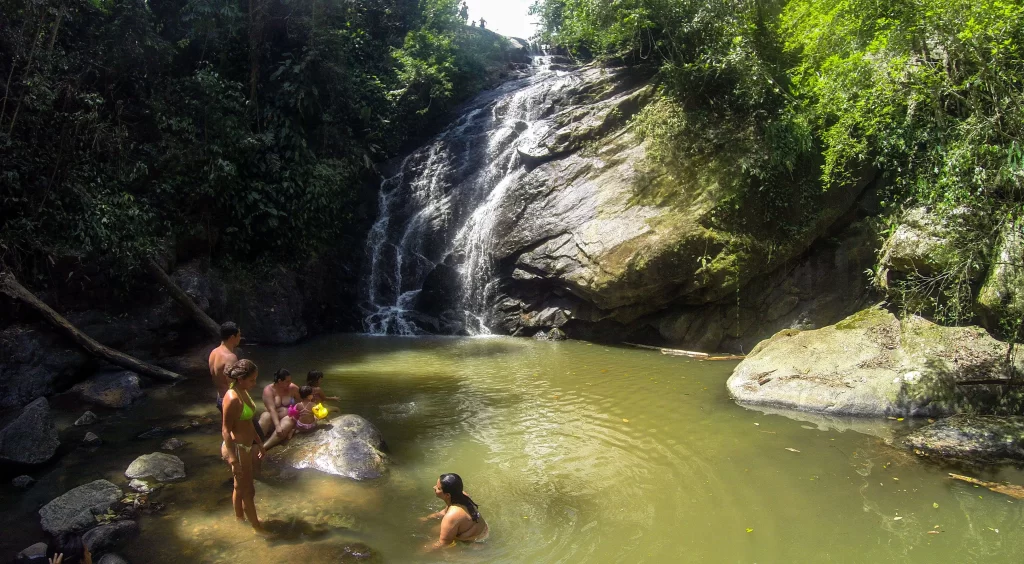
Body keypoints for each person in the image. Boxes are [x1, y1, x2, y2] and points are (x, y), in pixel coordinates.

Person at [220, 359, 268, 535]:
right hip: (237, 448)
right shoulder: (232, 398)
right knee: (249, 490)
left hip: (247, 446)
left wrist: (260, 444)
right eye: (252, 380)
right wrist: (233, 460)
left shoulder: (243, 391)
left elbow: (248, 422)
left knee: (239, 487)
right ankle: (257, 528)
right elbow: (225, 430)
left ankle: (240, 520)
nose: (254, 383)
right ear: (240, 379)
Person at [423, 473, 489, 549]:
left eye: (438, 488)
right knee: (433, 530)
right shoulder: (462, 495)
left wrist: (422, 551)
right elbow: (444, 511)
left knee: (443, 549)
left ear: (447, 495)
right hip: (482, 531)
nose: (434, 487)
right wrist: (427, 518)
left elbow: (444, 543)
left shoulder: (452, 516)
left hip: (473, 544)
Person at [259, 368, 301, 450]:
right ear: (279, 381)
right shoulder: (269, 390)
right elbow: (271, 409)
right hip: (272, 420)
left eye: (290, 381)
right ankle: (254, 443)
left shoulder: (293, 388)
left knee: (289, 420)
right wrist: (277, 425)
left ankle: (264, 448)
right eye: (287, 381)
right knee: (266, 416)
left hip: (286, 419)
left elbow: (303, 401)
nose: (290, 383)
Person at [208, 322, 242, 411]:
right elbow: (232, 384)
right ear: (232, 337)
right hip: (230, 400)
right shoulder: (230, 357)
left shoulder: (213, 352)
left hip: (219, 397)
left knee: (226, 424)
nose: (240, 338)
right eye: (238, 335)